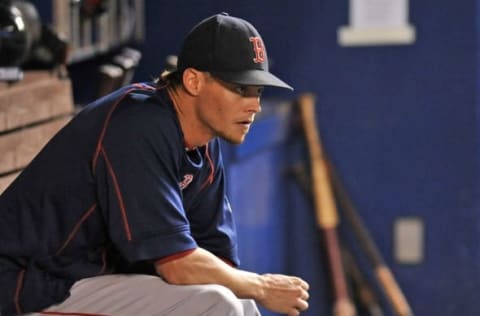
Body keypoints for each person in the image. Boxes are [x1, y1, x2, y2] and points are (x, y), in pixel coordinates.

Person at [0, 13, 310, 316]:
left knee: (237, 302)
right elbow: (177, 265)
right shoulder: (138, 125)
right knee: (220, 306)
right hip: (31, 288)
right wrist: (260, 285)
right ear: (193, 80)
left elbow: (216, 258)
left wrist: (251, 289)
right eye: (240, 88)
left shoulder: (203, 143)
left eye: (258, 91)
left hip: (86, 279)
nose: (254, 104)